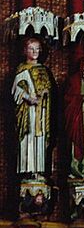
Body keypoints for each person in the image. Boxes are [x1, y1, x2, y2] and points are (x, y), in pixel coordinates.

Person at [12, 38, 53, 177]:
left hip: (41, 110)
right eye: (31, 48)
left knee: (39, 138)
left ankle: (38, 170)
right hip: (28, 111)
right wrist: (28, 98)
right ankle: (27, 170)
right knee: (28, 137)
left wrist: (46, 93)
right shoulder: (21, 69)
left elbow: (48, 88)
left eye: (37, 49)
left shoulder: (44, 70)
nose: (35, 52)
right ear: (25, 51)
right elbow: (16, 90)